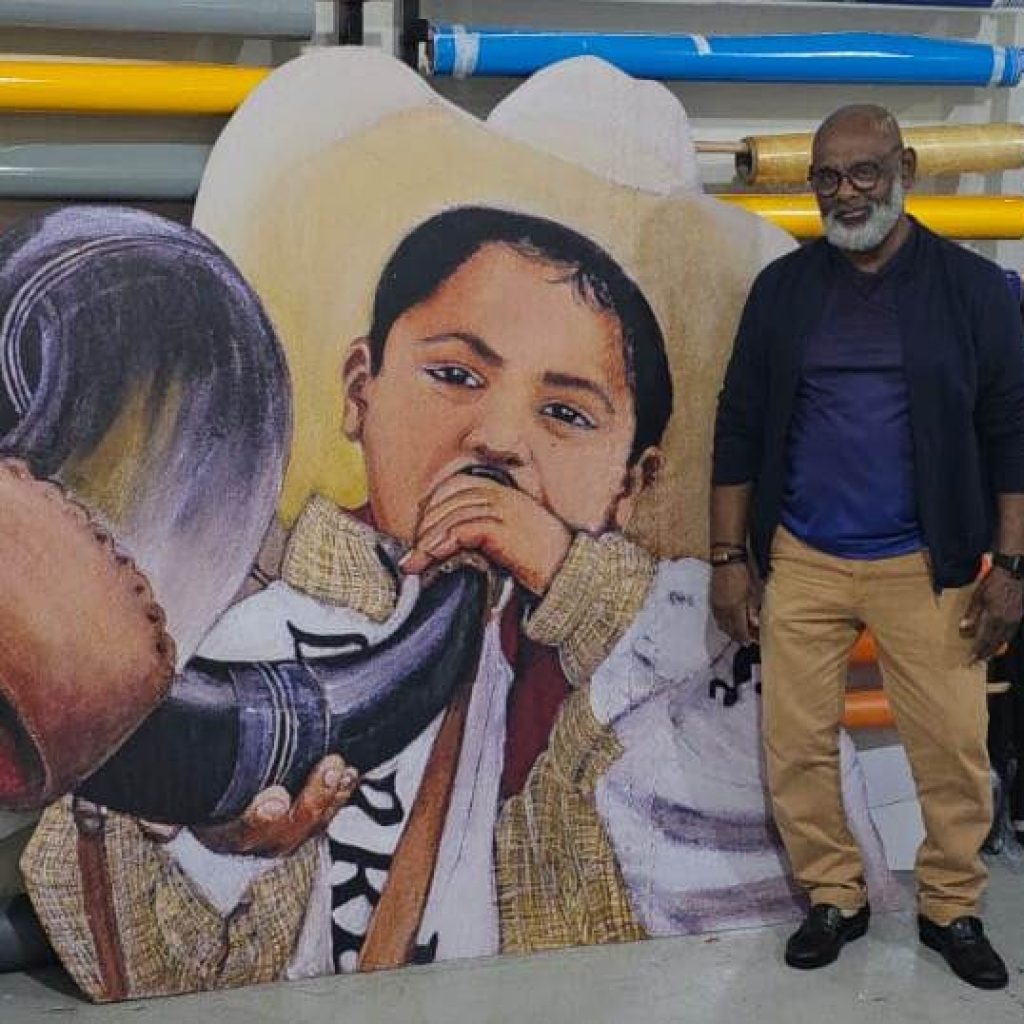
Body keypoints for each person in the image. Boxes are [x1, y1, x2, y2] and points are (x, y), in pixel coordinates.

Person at [24, 205, 867, 999]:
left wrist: (569, 577)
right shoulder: (245, 635)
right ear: (361, 390)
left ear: (631, 483)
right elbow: (146, 973)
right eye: (456, 375)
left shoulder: (664, 662)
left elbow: (758, 844)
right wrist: (225, 848)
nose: (497, 441)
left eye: (566, 413)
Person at [711, 104, 1024, 990]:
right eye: (827, 177)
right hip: (802, 557)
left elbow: (1012, 430)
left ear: (905, 170)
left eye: (864, 173)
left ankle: (952, 906)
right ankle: (833, 895)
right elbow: (739, 426)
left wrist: (1012, 567)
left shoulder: (973, 291)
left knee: (953, 747)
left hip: (930, 563)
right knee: (795, 744)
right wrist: (729, 559)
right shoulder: (783, 292)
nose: (845, 193)